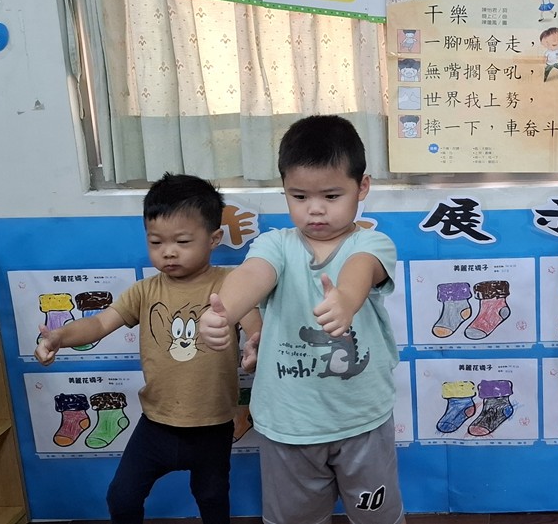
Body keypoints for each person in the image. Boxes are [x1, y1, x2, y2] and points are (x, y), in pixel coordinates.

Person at [198, 114, 405, 524]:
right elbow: (253, 275)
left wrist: (346, 299)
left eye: (331, 195)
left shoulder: (372, 242)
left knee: (377, 518)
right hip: (288, 425)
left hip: (361, 421)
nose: (315, 210)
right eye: (299, 196)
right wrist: (224, 312)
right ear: (284, 190)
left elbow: (361, 269)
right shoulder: (275, 244)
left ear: (362, 187)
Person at [34, 172, 262, 524]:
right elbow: (99, 324)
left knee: (212, 497)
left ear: (214, 238)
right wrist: (58, 337)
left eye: (182, 241)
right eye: (156, 242)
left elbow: (253, 325)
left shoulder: (229, 283)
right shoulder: (144, 291)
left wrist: (256, 345)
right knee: (122, 497)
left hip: (213, 425)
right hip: (156, 425)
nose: (168, 251)